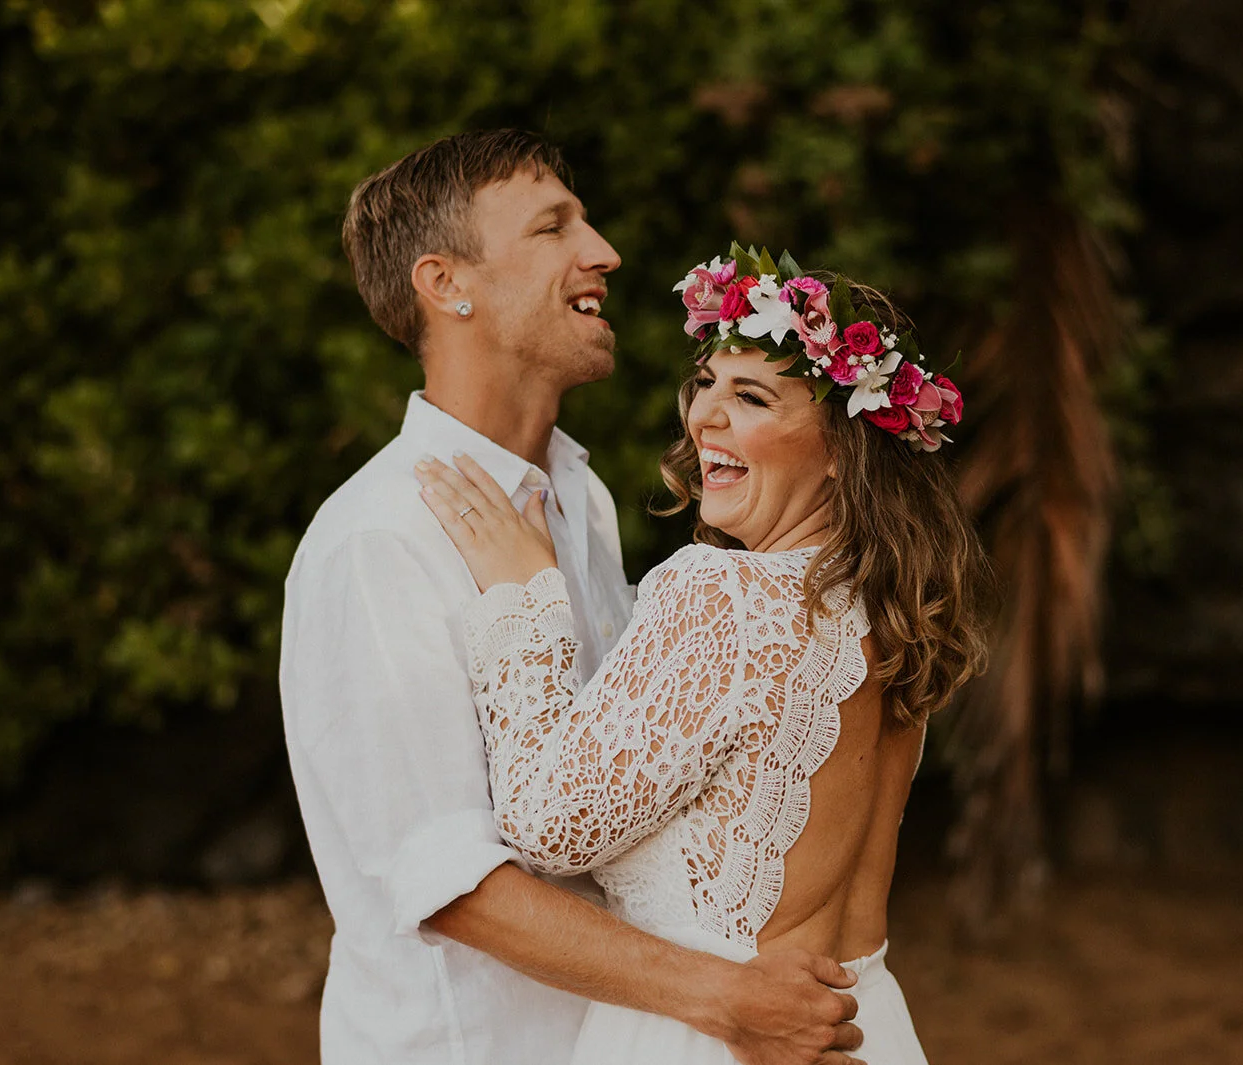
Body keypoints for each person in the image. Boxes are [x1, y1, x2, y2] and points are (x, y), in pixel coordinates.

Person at [280, 133, 867, 1065]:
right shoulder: (378, 540)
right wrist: (727, 997)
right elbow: (454, 883)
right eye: (554, 227)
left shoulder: (578, 496)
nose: (603, 252)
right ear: (445, 284)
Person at [413, 245, 992, 1063]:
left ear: (841, 448)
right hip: (867, 1030)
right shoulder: (885, 618)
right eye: (707, 384)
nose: (702, 417)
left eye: (750, 395)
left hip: (715, 1037)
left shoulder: (725, 595)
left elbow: (546, 828)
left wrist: (526, 596)